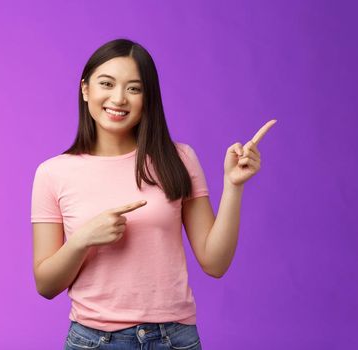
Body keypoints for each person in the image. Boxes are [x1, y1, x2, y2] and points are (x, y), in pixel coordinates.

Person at [30, 38, 275, 350]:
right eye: (107, 83)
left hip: (174, 339)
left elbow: (215, 263)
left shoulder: (179, 158)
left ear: (148, 98)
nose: (118, 98)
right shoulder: (52, 173)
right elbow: (46, 285)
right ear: (86, 89)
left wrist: (233, 186)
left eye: (134, 88)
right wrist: (81, 240)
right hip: (94, 340)